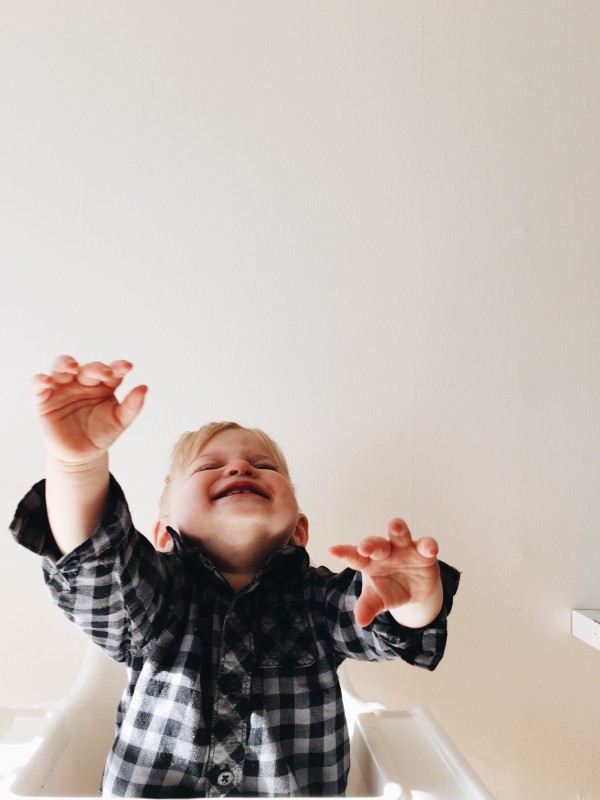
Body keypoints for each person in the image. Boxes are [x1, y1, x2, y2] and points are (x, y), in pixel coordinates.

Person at [10, 355, 460, 798]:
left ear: (299, 531)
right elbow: (97, 564)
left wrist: (413, 598)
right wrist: (77, 466)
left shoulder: (318, 600)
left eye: (264, 466)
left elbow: (387, 624)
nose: (240, 468)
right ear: (164, 535)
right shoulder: (157, 597)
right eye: (209, 466)